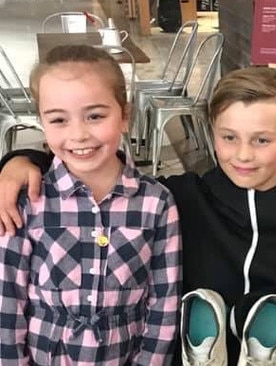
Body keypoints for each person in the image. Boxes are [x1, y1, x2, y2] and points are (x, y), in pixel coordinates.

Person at [0, 66, 276, 365]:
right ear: (212, 135)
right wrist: (22, 161)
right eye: (229, 137)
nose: (243, 154)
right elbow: (102, 176)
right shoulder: (177, 198)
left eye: (261, 140)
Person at [0, 45, 181, 364]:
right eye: (58, 119)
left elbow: (164, 303)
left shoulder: (156, 203)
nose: (79, 134)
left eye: (95, 116)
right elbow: (7, 300)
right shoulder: (27, 200)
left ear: (125, 115)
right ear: (41, 121)